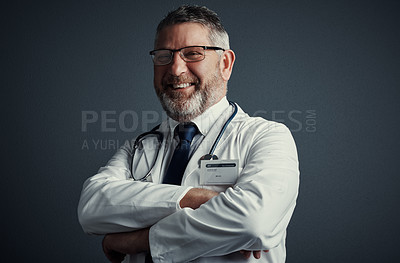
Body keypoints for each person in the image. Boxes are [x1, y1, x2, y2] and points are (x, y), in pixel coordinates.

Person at [78, 5, 299, 263]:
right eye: (164, 56)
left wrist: (136, 240)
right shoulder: (139, 146)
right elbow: (91, 208)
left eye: (193, 54)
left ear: (225, 64)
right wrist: (195, 198)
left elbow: (253, 221)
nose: (175, 69)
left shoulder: (266, 137)